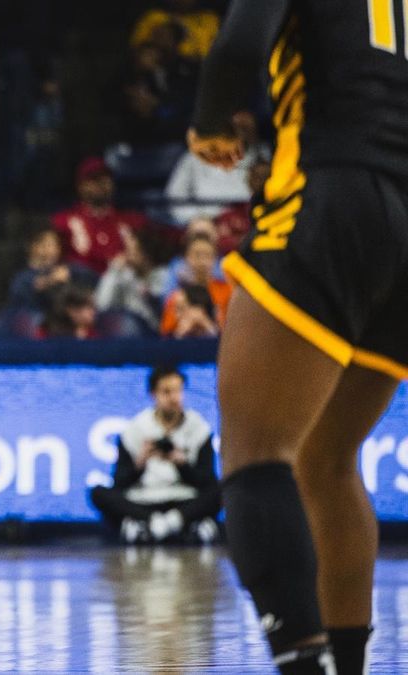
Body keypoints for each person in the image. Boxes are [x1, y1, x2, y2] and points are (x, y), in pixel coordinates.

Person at [188, 0, 408, 671]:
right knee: (326, 460)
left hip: (332, 191)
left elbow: (236, 46)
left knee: (256, 457)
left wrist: (207, 124)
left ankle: (302, 664)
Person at [89, 366, 220, 544]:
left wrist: (182, 465)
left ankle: (161, 524)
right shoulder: (135, 429)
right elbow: (119, 482)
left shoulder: (199, 428)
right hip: (144, 500)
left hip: (184, 499)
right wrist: (140, 464)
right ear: (153, 394)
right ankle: (162, 523)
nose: (174, 398)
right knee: (97, 492)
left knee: (225, 489)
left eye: (178, 391)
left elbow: (208, 480)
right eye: (166, 392)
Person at [51, 157, 149, 275]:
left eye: (106, 179)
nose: (101, 184)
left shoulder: (132, 220)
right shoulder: (63, 221)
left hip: (123, 282)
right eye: (94, 179)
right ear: (81, 186)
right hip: (80, 284)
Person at [7, 228, 96, 312]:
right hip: (34, 319)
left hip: (65, 321)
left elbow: (95, 279)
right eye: (49, 244)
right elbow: (31, 288)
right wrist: (51, 280)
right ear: (34, 247)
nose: (55, 249)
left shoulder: (70, 269)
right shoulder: (23, 277)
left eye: (56, 245)